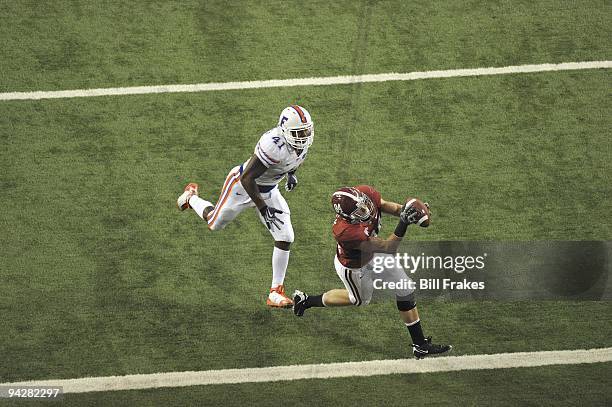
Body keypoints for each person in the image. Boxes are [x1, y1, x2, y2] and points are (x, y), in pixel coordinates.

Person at [177, 105, 314, 308]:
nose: (303, 136)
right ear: (284, 130)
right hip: (241, 187)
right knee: (215, 223)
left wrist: (291, 174)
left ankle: (276, 292)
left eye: (306, 131)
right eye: (298, 132)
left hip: (269, 190)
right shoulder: (272, 144)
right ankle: (191, 197)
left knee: (285, 236)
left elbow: (294, 161)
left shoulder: (300, 145)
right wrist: (262, 207)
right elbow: (248, 177)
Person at [293, 185, 452, 358]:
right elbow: (388, 247)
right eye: (358, 211)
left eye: (363, 204)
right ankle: (307, 301)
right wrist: (404, 223)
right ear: (345, 216)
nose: (365, 210)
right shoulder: (345, 232)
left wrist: (412, 212)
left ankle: (420, 345)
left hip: (374, 253)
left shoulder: (366, 192)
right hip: (355, 266)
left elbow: (392, 207)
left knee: (405, 288)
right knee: (359, 300)